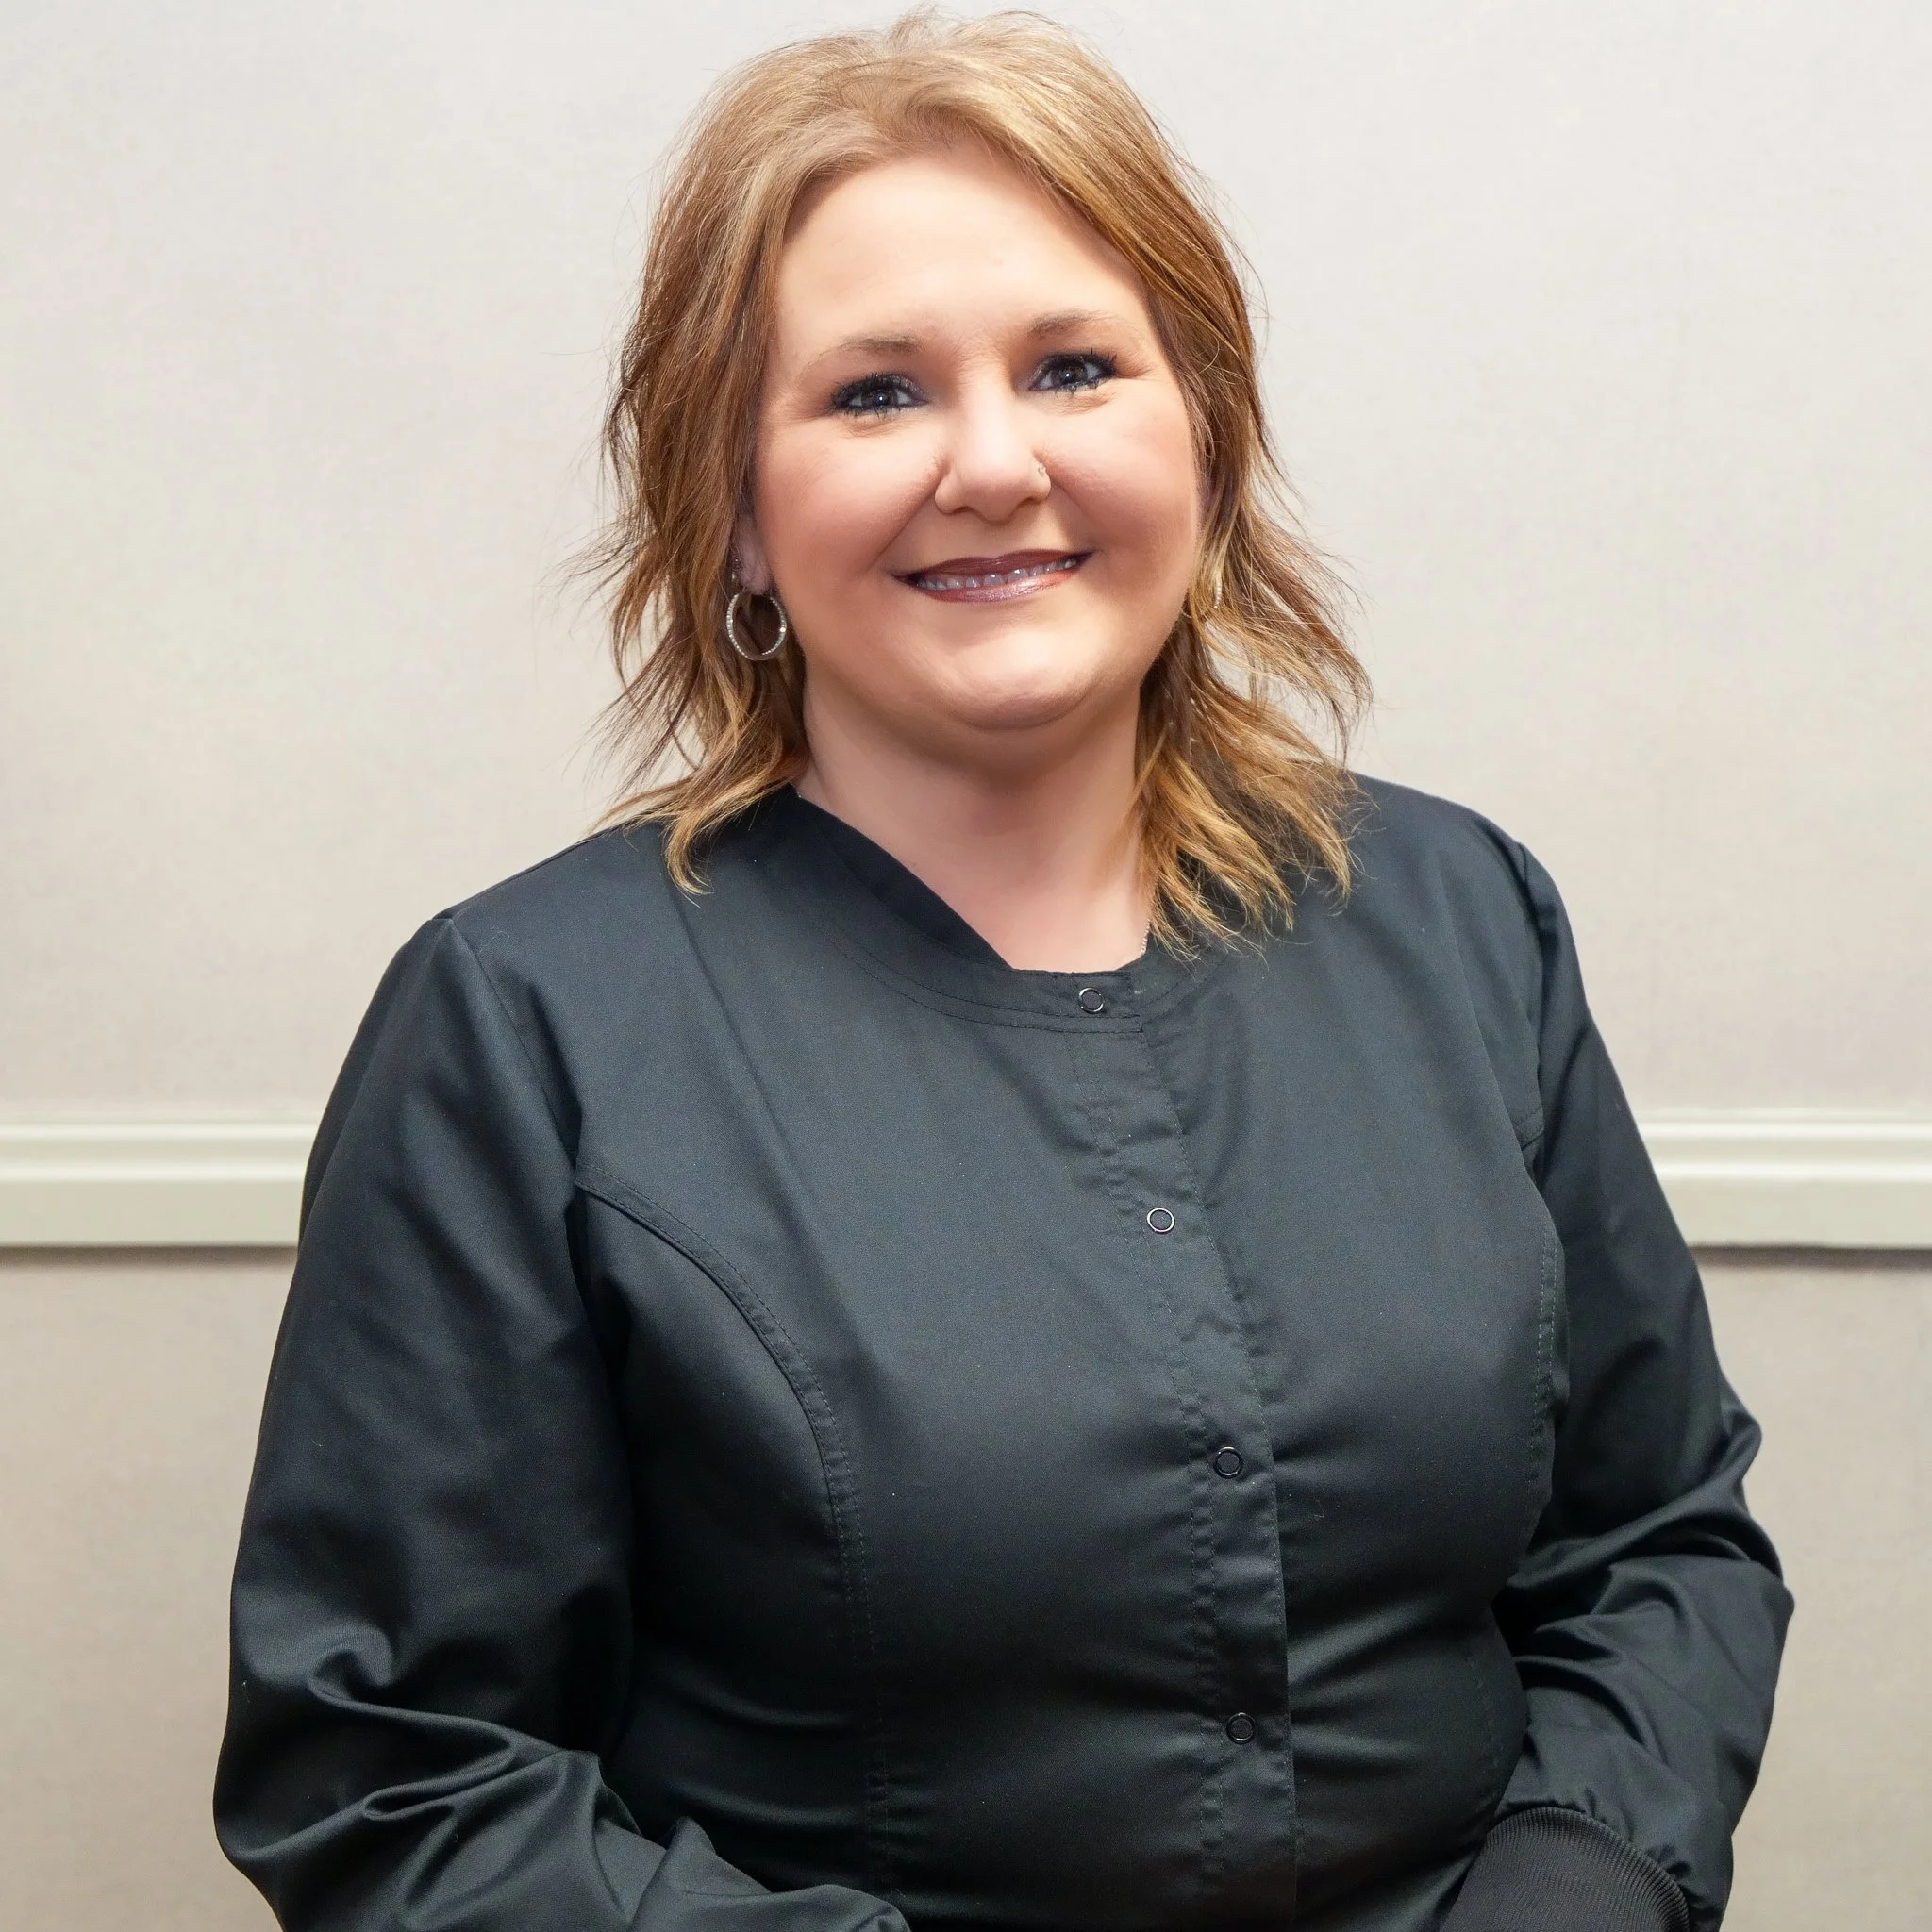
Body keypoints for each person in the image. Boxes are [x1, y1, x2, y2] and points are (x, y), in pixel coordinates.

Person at [215, 14, 1790, 1932]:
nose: (993, 462)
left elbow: (1660, 1544)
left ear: (1200, 436)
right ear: (734, 512)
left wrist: (1568, 1895)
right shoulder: (523, 1027)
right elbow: (389, 1778)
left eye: (1073, 368)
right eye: (875, 394)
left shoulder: (1462, 917)